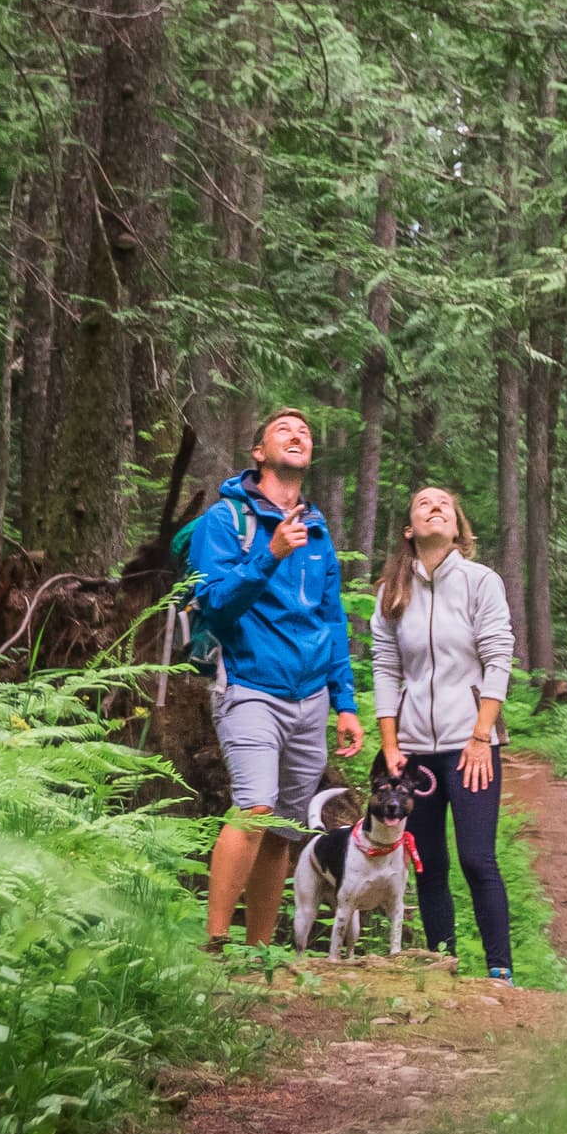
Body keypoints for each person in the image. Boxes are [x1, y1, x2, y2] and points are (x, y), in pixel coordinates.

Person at [183, 407, 362, 955]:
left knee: (283, 828)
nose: (298, 433)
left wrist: (345, 702)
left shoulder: (319, 531)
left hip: (309, 700)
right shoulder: (224, 520)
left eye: (304, 431)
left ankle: (260, 952)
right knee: (254, 808)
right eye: (283, 429)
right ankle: (214, 944)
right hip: (249, 687)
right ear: (258, 453)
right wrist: (270, 553)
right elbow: (210, 601)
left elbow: (330, 619)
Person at [369, 483, 517, 980]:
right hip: (412, 752)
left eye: (445, 506)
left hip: (470, 745)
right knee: (428, 862)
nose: (435, 509)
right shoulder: (393, 592)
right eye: (423, 504)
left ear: (456, 528)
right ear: (410, 530)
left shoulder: (481, 582)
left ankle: (501, 973)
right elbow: (386, 668)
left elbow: (499, 659)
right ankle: (440, 967)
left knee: (477, 859)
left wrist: (481, 737)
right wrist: (391, 745)